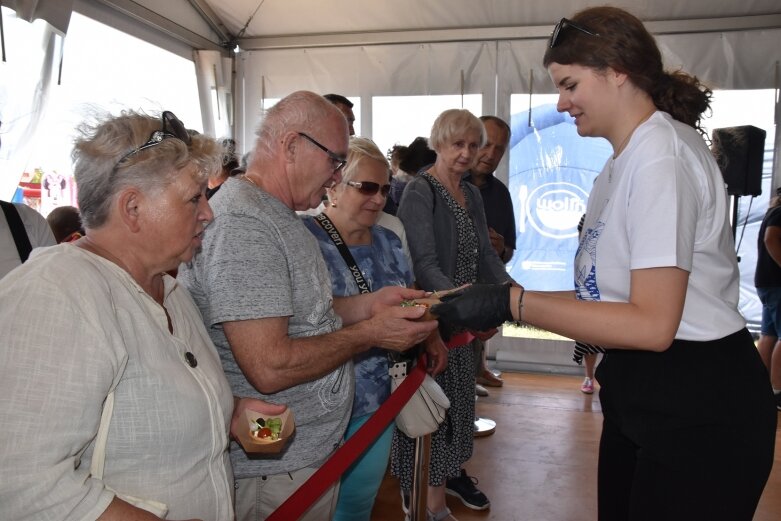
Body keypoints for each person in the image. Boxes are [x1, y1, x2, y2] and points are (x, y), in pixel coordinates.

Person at [432, 7, 777, 520]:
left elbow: (654, 324)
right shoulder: (621, 163)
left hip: (698, 403)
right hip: (643, 393)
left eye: (570, 84)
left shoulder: (663, 156)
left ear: (617, 70)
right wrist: (499, 299)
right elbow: (605, 299)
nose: (561, 102)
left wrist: (511, 302)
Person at [0, 110, 284, 520]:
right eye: (193, 198)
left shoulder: (168, 289)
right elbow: (21, 482)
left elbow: (147, 410)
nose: (209, 213)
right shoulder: (56, 292)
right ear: (132, 207)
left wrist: (235, 415)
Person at [177, 91, 437, 521]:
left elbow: (301, 312)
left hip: (297, 459)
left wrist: (371, 305)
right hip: (273, 469)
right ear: (292, 146)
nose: (336, 177)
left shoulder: (279, 213)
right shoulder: (245, 223)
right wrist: (371, 333)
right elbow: (269, 366)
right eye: (335, 161)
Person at [303, 136, 447, 521]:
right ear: (332, 185)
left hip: (377, 394)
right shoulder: (303, 239)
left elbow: (408, 296)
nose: (379, 199)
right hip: (314, 398)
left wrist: (431, 331)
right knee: (309, 504)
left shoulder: (389, 238)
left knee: (358, 500)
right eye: (367, 187)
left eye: (384, 189)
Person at [393, 109, 516, 520]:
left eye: (473, 145)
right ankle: (424, 501)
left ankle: (436, 498)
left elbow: (485, 253)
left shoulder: (473, 194)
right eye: (457, 144)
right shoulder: (420, 190)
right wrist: (461, 303)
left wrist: (507, 294)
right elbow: (423, 263)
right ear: (439, 144)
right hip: (434, 320)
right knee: (429, 415)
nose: (466, 153)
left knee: (456, 414)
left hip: (462, 323)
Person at [464, 115, 515, 391]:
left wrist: (499, 249)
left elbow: (508, 251)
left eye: (499, 149)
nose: (491, 154)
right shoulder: (432, 183)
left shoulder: (501, 194)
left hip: (479, 299)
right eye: (486, 144)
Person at [755, 186, 781, 410]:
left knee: (769, 335)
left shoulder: (772, 212)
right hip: (776, 283)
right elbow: (770, 238)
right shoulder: (780, 213)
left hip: (766, 282)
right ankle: (776, 390)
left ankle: (760, 388)